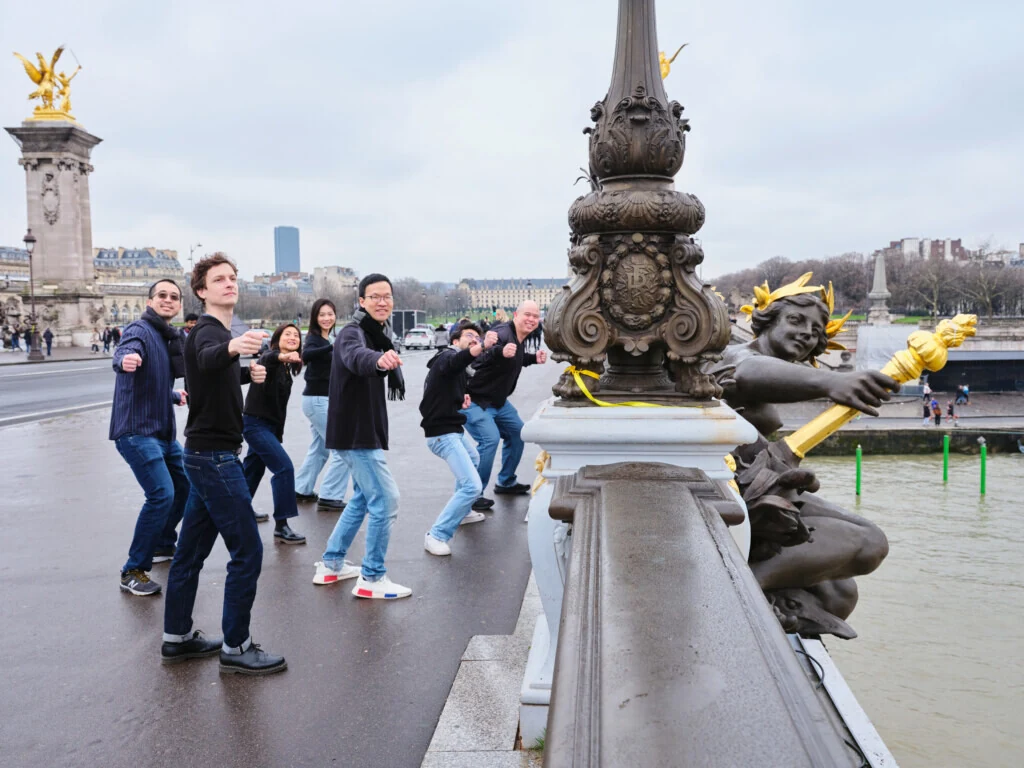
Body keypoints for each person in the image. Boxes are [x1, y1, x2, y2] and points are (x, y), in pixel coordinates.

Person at [162, 253, 286, 675]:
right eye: (219, 279)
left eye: (233, 278)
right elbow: (210, 356)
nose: (229, 284)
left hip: (201, 455)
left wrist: (246, 374)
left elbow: (210, 375)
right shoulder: (206, 332)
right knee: (247, 549)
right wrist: (235, 348)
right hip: (214, 458)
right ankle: (237, 646)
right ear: (202, 291)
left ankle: (176, 638)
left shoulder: (216, 332)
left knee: (190, 551)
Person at [313, 273, 412, 599]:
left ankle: (331, 564)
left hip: (358, 431)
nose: (382, 302)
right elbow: (356, 356)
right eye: (375, 297)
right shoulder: (353, 334)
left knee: (361, 498)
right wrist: (379, 361)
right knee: (386, 499)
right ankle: (372, 578)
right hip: (355, 433)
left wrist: (380, 355)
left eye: (387, 296)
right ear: (362, 301)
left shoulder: (378, 334)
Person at [111, 280, 190, 596]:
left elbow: (154, 379)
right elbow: (124, 352)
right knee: (161, 493)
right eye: (162, 296)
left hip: (162, 432)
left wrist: (172, 395)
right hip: (136, 431)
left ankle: (160, 543)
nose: (168, 300)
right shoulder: (140, 330)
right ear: (149, 301)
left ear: (179, 304)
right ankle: (133, 569)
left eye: (174, 297)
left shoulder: (166, 336)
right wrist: (124, 361)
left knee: (184, 485)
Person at [420, 321, 496, 556]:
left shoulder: (458, 370)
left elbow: (448, 382)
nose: (474, 338)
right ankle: (437, 535)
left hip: (452, 429)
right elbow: (455, 362)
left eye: (477, 336)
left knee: (473, 458)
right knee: (472, 486)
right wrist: (481, 346)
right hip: (442, 434)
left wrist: (460, 399)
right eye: (469, 335)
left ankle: (462, 512)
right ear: (455, 341)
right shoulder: (446, 356)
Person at [463, 300, 547, 506]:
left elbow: (514, 358)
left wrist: (533, 358)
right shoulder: (502, 333)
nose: (531, 319)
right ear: (515, 315)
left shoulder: (518, 337)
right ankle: (472, 495)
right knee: (490, 440)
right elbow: (474, 360)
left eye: (535, 316)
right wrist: (498, 351)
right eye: (527, 314)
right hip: (475, 400)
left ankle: (506, 482)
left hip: (498, 402)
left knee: (518, 433)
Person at [242, 323, 306, 544]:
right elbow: (268, 358)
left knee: (252, 471)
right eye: (287, 334)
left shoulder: (288, 369)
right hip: (255, 424)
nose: (292, 337)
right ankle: (282, 525)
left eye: (296, 335)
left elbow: (279, 408)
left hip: (268, 427)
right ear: (277, 339)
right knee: (284, 468)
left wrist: (277, 434)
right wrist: (280, 357)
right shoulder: (270, 359)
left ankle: (240, 510)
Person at [294, 299, 351, 510]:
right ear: (315, 318)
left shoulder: (330, 339)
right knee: (342, 447)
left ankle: (301, 489)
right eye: (322, 315)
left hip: (322, 400)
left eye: (330, 314)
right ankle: (329, 496)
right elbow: (306, 355)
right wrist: (331, 348)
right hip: (317, 400)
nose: (327, 318)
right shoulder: (314, 339)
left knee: (320, 449)